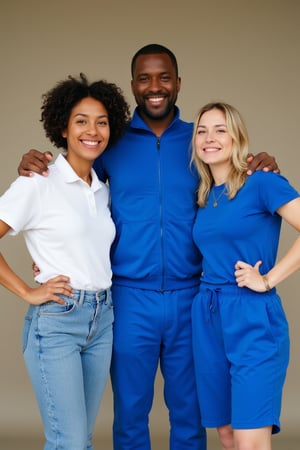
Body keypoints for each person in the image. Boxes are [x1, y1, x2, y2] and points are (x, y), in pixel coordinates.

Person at [17, 44, 279, 450]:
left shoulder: (199, 142)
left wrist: (260, 160)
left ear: (178, 84)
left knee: (189, 415)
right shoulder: (112, 142)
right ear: (133, 86)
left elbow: (234, 175)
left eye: (164, 78)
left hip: (190, 295)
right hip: (128, 298)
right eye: (145, 78)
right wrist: (38, 162)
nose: (155, 87)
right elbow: (72, 182)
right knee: (131, 415)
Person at [0, 73, 130, 450]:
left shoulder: (102, 191)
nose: (93, 130)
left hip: (103, 320)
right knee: (69, 442)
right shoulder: (37, 182)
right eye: (81, 121)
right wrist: (27, 291)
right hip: (58, 322)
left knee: (80, 440)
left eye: (102, 122)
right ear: (62, 127)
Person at [190, 101, 300, 450]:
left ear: (237, 137)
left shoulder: (264, 183)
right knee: (226, 435)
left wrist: (268, 280)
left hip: (252, 316)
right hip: (208, 317)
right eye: (202, 130)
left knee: (250, 439)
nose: (210, 138)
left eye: (220, 129)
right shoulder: (206, 196)